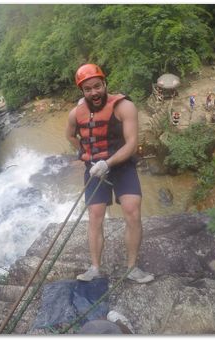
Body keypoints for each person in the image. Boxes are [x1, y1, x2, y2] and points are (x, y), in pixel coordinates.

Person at [65, 63, 154, 284]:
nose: (94, 92)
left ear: (105, 84)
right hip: (94, 169)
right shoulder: (76, 114)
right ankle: (95, 267)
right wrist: (83, 150)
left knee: (132, 210)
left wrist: (108, 163)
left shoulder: (124, 107)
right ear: (82, 92)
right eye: (88, 89)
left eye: (97, 86)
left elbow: (132, 144)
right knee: (95, 216)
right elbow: (69, 135)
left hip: (121, 165)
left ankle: (132, 267)